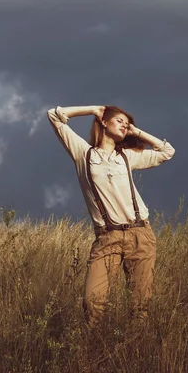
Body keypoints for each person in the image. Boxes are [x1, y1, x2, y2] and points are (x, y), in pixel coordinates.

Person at [47, 104, 175, 329]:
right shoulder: (83, 153)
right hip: (107, 238)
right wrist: (93, 109)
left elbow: (167, 152)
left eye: (127, 124)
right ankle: (91, 351)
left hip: (140, 235)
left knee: (140, 306)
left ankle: (136, 354)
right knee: (92, 302)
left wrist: (136, 132)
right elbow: (55, 116)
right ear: (104, 122)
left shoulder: (127, 156)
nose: (125, 125)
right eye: (119, 121)